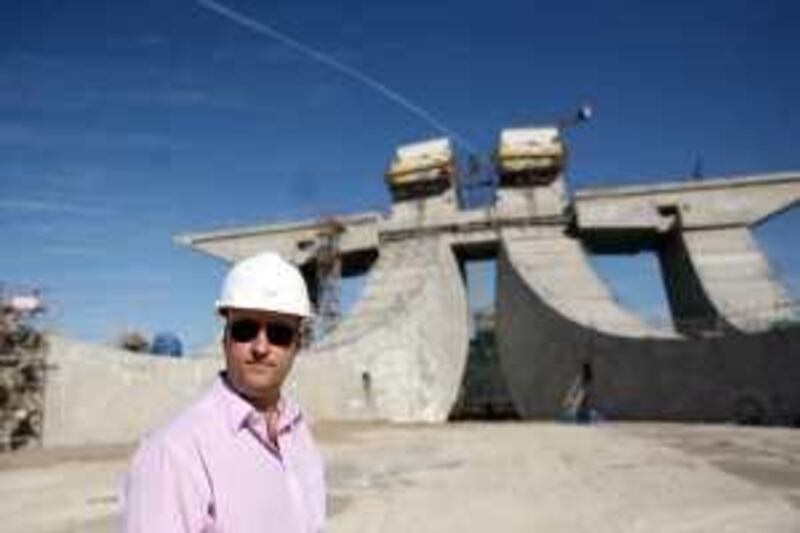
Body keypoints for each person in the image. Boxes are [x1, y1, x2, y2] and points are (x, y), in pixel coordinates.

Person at [122, 252, 325, 533]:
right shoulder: (173, 453)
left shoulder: (297, 431)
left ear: (297, 345)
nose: (261, 347)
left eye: (279, 333)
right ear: (225, 339)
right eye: (246, 329)